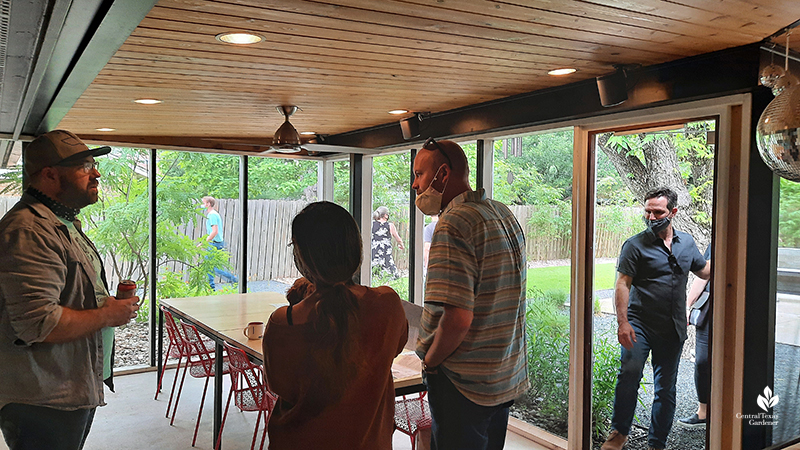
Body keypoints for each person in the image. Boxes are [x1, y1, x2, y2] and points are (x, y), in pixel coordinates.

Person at [0, 130, 140, 450]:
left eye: (92, 163)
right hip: (43, 399)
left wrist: (105, 302)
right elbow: (38, 322)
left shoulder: (64, 222)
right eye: (83, 167)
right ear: (49, 175)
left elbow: (67, 291)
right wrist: (106, 315)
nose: (96, 173)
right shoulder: (29, 230)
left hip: (69, 385)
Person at [262, 201, 408, 450]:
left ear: (302, 256)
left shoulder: (283, 322)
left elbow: (281, 387)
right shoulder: (388, 305)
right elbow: (392, 346)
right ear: (356, 248)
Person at [412, 138, 528, 450]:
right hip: (503, 376)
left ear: (443, 174)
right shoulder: (502, 213)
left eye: (419, 175)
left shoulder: (453, 223)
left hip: (463, 384)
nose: (415, 185)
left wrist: (432, 362)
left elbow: (458, 317)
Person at [601, 187, 711, 450]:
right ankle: (619, 434)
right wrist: (622, 322)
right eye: (647, 211)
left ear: (672, 212)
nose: (651, 216)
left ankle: (656, 443)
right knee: (629, 374)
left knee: (666, 388)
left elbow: (704, 271)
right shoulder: (634, 245)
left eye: (657, 212)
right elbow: (622, 285)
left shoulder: (686, 243)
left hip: (672, 327)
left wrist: (726, 251)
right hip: (638, 324)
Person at [678, 245, 712, 428]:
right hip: (709, 310)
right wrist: (687, 305)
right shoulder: (718, 242)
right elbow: (702, 277)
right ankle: (703, 412)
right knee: (702, 360)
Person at [201, 196, 238, 289]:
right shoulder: (213, 214)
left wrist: (204, 243)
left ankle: (233, 280)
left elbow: (215, 231)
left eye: (203, 203)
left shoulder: (212, 215)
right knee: (210, 266)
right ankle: (211, 287)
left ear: (208, 204)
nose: (202, 205)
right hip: (216, 243)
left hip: (214, 244)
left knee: (210, 267)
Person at [371, 206, 405, 279]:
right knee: (390, 270)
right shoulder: (390, 226)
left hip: (374, 251)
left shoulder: (371, 224)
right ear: (386, 215)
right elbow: (398, 238)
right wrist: (401, 245)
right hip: (385, 252)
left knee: (374, 269)